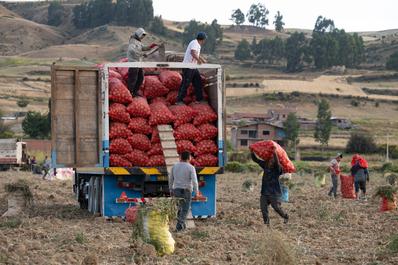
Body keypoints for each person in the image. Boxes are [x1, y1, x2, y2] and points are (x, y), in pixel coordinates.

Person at [251, 150, 289, 226]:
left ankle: (285, 216)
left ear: (275, 161)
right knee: (263, 209)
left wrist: (275, 153)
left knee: (276, 207)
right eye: (270, 159)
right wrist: (252, 152)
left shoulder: (278, 169)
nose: (271, 161)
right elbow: (256, 160)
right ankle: (267, 224)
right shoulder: (265, 165)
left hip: (274, 193)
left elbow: (278, 164)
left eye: (273, 160)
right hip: (264, 192)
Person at [169, 151, 201, 232]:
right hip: (186, 191)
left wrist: (170, 189)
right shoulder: (191, 167)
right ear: (189, 158)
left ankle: (182, 226)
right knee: (185, 209)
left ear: (181, 157)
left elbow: (171, 179)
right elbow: (194, 181)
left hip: (176, 190)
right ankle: (179, 226)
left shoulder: (174, 166)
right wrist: (197, 192)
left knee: (179, 208)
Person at [176, 32, 207, 105]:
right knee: (185, 83)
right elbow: (193, 53)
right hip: (188, 67)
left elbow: (196, 54)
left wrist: (203, 59)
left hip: (193, 67)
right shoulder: (195, 43)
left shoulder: (197, 45)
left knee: (198, 82)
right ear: (203, 39)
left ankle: (199, 99)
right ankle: (179, 100)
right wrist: (199, 61)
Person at [127, 28, 159, 97]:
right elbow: (132, 51)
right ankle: (130, 92)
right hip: (133, 63)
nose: (142, 37)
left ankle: (135, 91)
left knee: (140, 78)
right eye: (142, 35)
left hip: (138, 63)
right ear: (139, 34)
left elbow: (143, 48)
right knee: (133, 79)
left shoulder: (138, 41)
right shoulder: (132, 41)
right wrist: (141, 54)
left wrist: (151, 46)